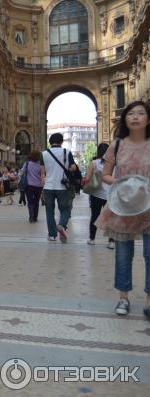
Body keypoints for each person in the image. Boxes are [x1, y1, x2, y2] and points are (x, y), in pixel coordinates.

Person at [95, 100, 150, 318]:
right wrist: (121, 182)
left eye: (140, 113)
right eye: (131, 113)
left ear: (148, 118)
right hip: (124, 205)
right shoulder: (116, 145)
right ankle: (123, 298)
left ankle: (148, 300)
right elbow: (105, 174)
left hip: (149, 205)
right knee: (123, 255)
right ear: (125, 119)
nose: (135, 117)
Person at [41, 133, 77, 243]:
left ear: (50, 141)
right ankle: (61, 225)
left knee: (49, 211)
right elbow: (73, 167)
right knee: (65, 209)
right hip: (63, 186)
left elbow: (42, 173)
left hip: (48, 187)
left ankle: (52, 235)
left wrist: (43, 187)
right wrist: (70, 168)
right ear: (61, 142)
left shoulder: (44, 154)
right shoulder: (67, 152)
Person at [82, 143, 114, 248]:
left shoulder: (94, 163)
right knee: (110, 218)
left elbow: (86, 178)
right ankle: (111, 241)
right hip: (111, 195)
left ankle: (92, 239)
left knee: (95, 216)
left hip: (96, 194)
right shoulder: (114, 163)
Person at [22, 150, 43, 222]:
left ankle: (31, 216)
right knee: (36, 201)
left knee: (30, 201)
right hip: (39, 186)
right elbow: (43, 174)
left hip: (29, 185)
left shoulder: (27, 163)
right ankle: (35, 217)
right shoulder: (41, 164)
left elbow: (21, 172)